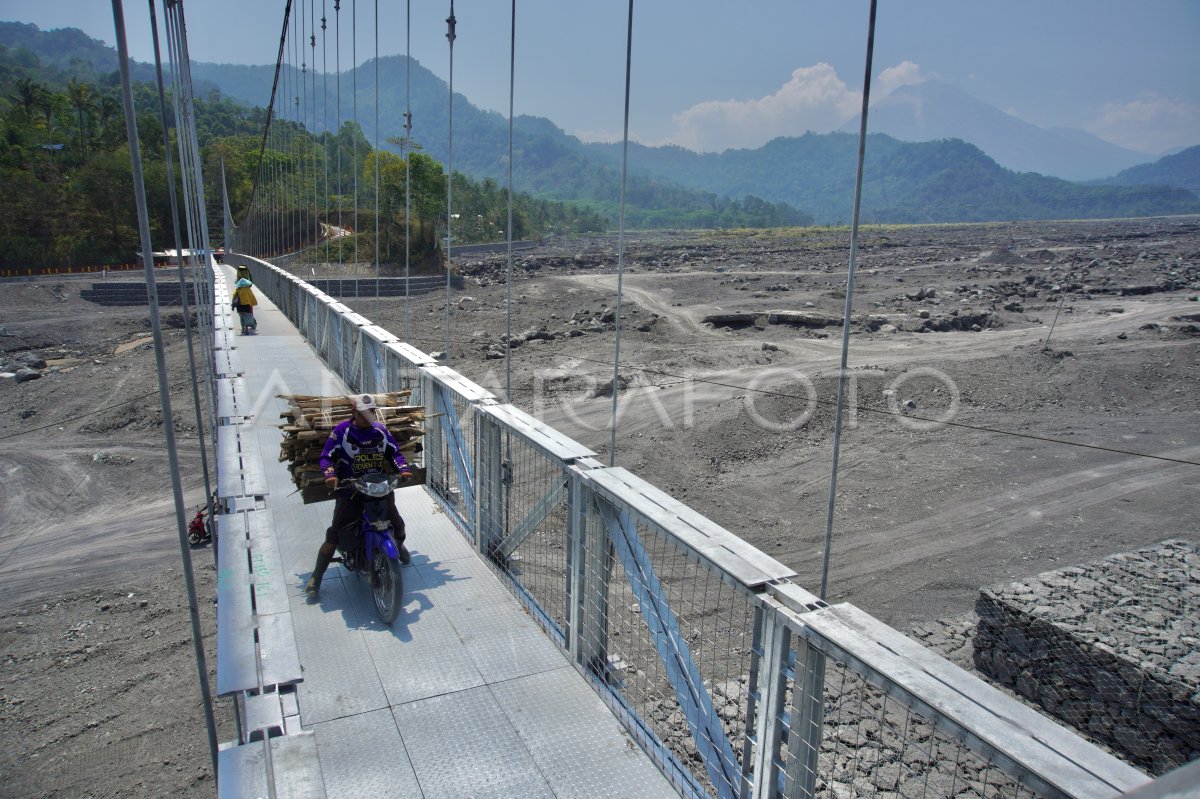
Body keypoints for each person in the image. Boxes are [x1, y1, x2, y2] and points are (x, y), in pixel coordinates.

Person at [305, 393, 414, 597]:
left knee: (398, 525)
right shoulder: (342, 432)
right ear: (353, 412)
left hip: (379, 488)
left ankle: (398, 547)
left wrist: (403, 469)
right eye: (364, 413)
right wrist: (329, 474)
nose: (369, 416)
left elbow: (395, 453)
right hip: (352, 491)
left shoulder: (380, 431)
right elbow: (326, 457)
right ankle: (316, 577)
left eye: (371, 411)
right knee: (335, 535)